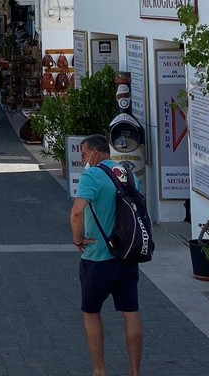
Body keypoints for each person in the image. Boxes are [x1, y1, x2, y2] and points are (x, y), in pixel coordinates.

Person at [70, 135, 144, 376]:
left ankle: (99, 370)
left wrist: (77, 238)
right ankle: (134, 372)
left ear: (94, 153)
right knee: (130, 312)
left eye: (83, 155)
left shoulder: (92, 176)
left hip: (98, 257)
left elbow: (77, 212)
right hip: (127, 255)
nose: (82, 160)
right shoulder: (129, 174)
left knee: (91, 312)